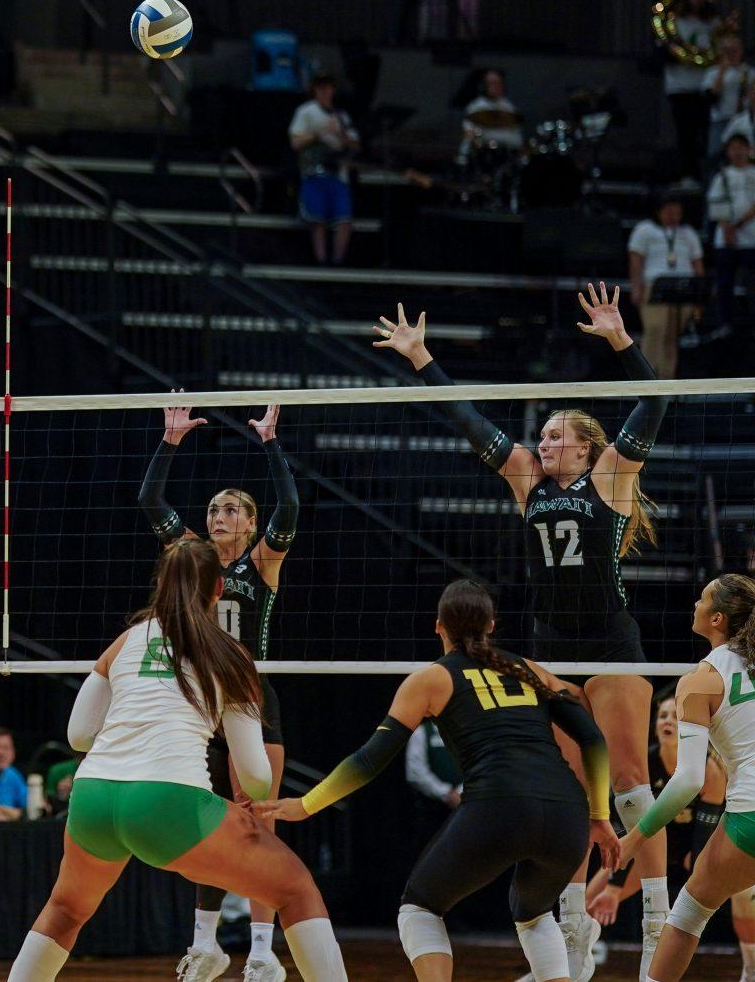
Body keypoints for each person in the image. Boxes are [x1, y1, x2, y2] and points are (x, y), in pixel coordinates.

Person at [373, 284, 671, 980]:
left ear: (587, 444)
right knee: (568, 791)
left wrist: (621, 341)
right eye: (543, 433)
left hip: (610, 640)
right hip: (550, 643)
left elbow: (656, 401)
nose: (544, 440)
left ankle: (657, 919)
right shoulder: (525, 480)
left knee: (628, 781)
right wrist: (422, 358)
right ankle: (571, 945)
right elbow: (467, 419)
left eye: (558, 433)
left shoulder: (612, 475)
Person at [5, 539, 347, 982]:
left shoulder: (126, 641)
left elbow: (78, 734)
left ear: (161, 583)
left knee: (65, 910)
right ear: (219, 588)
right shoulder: (230, 654)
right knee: (297, 888)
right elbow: (257, 776)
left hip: (93, 795)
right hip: (168, 800)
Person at [255, 579, 619, 982]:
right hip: (568, 813)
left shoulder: (431, 679)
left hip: (499, 805)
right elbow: (593, 739)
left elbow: (368, 760)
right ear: (492, 625)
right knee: (533, 914)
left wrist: (305, 805)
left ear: (438, 626)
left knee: (420, 908)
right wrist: (600, 817)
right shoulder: (529, 669)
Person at [138, 396, 299, 982]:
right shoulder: (191, 559)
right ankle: (206, 944)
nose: (220, 515)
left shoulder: (262, 564)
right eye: (214, 507)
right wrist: (171, 441)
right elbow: (151, 500)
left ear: (252, 523)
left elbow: (292, 505)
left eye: (233, 509)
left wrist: (271, 443)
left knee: (257, 818)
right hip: (195, 703)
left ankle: (261, 951)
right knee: (206, 819)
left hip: (251, 699)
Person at [614, 575, 755, 982]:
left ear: (716, 619)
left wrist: (635, 836)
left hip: (750, 814)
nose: (693, 603)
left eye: (701, 598)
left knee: (689, 913)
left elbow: (689, 780)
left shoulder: (701, 679)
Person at [626, 194, 706, 378]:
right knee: (655, 330)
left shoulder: (688, 233)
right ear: (659, 211)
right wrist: (637, 287)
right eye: (669, 213)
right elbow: (636, 260)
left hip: (684, 289)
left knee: (671, 337)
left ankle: (666, 382)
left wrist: (700, 293)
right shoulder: (645, 229)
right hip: (655, 286)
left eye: (677, 214)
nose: (673, 217)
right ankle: (646, 379)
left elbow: (697, 263)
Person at [288, 73, 361, 266]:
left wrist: (341, 135)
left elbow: (355, 144)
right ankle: (321, 261)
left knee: (344, 220)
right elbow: (296, 142)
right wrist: (319, 133)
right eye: (321, 87)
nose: (325, 91)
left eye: (328, 87)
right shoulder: (306, 111)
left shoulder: (341, 116)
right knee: (317, 221)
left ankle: (338, 261)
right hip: (315, 171)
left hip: (338, 173)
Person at [660, 0, 718, 184]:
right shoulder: (674, 20)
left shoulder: (711, 22)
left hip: (704, 84)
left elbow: (717, 48)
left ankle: (706, 174)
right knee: (686, 133)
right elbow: (666, 48)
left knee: (705, 132)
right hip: (680, 86)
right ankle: (688, 174)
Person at [707, 133, 755, 336]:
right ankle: (725, 322)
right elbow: (716, 205)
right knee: (724, 282)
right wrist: (728, 228)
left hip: (751, 237)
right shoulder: (722, 176)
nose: (737, 152)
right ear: (727, 152)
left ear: (749, 149)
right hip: (726, 239)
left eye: (741, 147)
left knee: (752, 283)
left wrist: (740, 224)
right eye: (733, 148)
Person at [404, 720, 463, 855]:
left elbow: (477, 763)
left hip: (464, 807)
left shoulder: (465, 731)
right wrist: (446, 793)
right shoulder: (422, 732)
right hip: (431, 812)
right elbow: (415, 772)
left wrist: (461, 792)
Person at [706, 34, 752, 162]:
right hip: (720, 118)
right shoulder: (712, 72)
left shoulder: (748, 71)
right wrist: (722, 71)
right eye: (727, 51)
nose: (731, 54)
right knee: (715, 153)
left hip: (742, 118)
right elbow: (709, 98)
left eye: (735, 50)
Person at [459, 69, 524, 156]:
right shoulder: (476, 106)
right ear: (484, 85)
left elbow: (517, 137)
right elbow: (468, 131)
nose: (495, 86)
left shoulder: (509, 107)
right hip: (480, 152)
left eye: (497, 83)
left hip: (504, 153)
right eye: (491, 83)